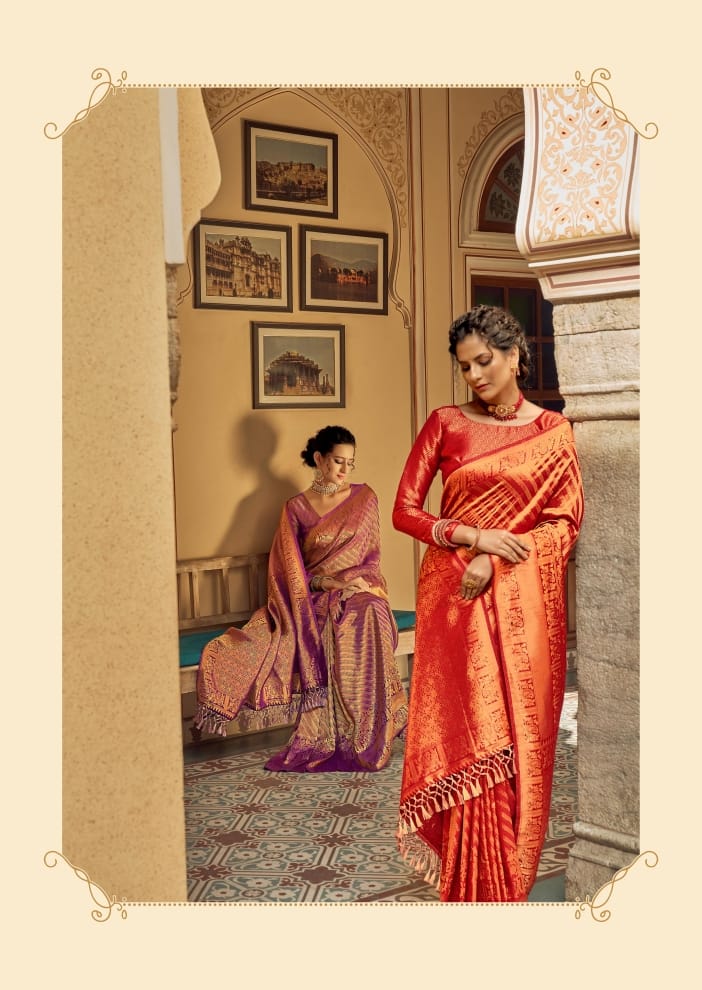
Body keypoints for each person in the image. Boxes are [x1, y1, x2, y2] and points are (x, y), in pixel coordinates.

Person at [392, 305, 584, 901]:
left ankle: (504, 884)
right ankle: (466, 885)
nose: (474, 376)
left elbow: (563, 523)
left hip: (516, 599)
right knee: (471, 731)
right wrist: (473, 537)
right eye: (464, 367)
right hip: (455, 599)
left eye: (483, 362)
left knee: (514, 737)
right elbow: (405, 511)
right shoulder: (446, 423)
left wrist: (496, 557)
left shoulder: (553, 433)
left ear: (514, 356)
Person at [195, 425, 408, 772]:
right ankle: (338, 733)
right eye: (338, 461)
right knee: (340, 619)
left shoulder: (365, 498)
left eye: (350, 462)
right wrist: (327, 584)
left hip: (361, 589)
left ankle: (370, 730)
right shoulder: (295, 509)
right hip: (315, 598)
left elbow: (371, 559)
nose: (344, 469)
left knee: (368, 611)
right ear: (319, 459)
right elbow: (288, 573)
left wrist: (356, 585)